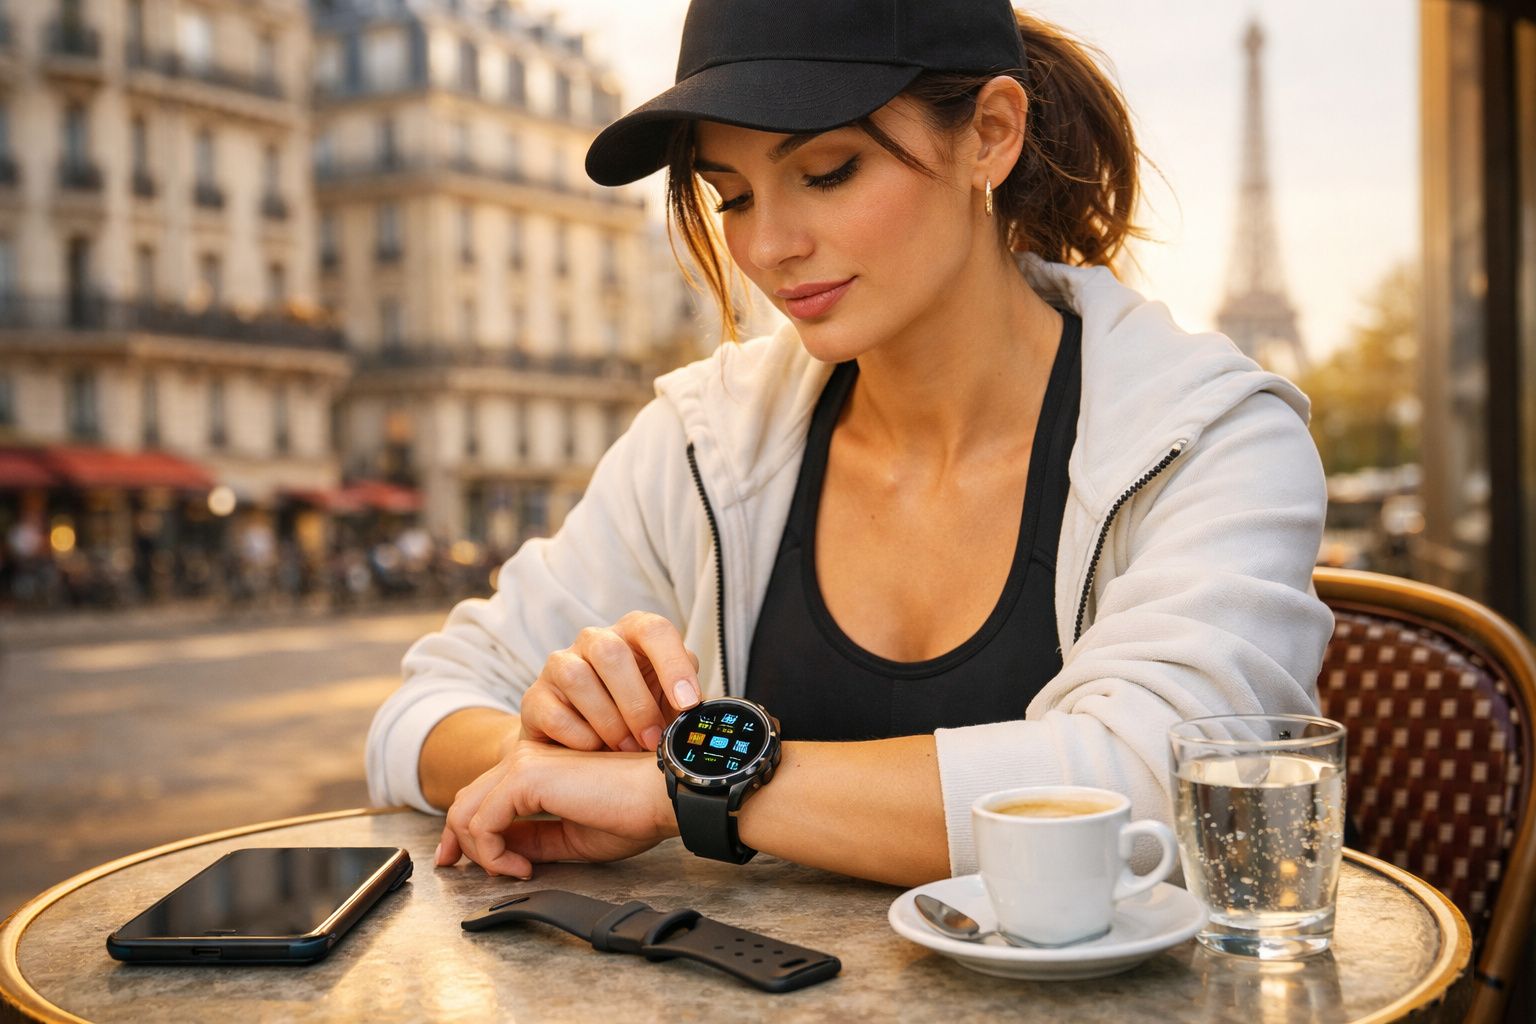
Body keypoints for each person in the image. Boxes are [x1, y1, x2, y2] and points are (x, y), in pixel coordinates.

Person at [365, 0, 1334, 889]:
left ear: (990, 134)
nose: (769, 246)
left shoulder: (1212, 436)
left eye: (826, 172)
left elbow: (1160, 776)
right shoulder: (706, 437)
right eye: (731, 194)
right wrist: (542, 753)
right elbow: (415, 718)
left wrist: (685, 790)